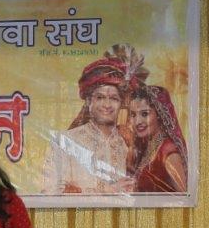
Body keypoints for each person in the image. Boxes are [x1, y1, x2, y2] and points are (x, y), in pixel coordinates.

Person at [42, 44, 147, 194]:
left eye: (114, 98)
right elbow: (50, 192)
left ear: (121, 104)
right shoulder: (64, 142)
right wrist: (108, 191)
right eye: (100, 97)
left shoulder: (127, 145)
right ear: (89, 102)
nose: (107, 105)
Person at [127, 84, 188, 193]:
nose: (137, 122)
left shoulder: (168, 152)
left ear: (159, 114)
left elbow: (184, 199)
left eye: (144, 114)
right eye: (133, 115)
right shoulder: (148, 145)